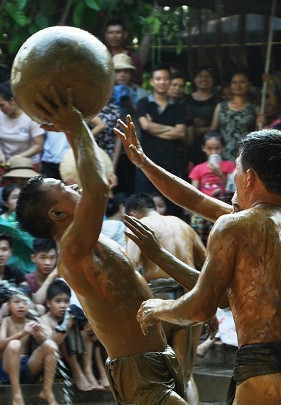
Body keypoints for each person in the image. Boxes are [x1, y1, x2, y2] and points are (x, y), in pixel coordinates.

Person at [116, 118, 281, 405]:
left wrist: (157, 308)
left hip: (273, 364)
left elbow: (202, 307)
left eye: (237, 170)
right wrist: (143, 162)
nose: (235, 178)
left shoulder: (235, 225)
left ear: (250, 177)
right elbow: (197, 202)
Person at [16, 86, 186, 403]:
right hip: (137, 368)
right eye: (63, 187)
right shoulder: (72, 250)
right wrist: (75, 124)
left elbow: (91, 179)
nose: (72, 184)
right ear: (57, 214)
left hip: (156, 358)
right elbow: (97, 187)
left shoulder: (89, 238)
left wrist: (71, 131)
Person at [125, 192, 207, 404]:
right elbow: (208, 265)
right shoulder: (183, 225)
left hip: (159, 300)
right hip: (192, 298)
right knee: (185, 374)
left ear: (133, 215)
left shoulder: (138, 225)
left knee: (153, 374)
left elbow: (130, 268)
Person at [135, 65, 186, 201]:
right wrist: (171, 129)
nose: (162, 82)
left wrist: (152, 127)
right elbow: (145, 125)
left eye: (165, 78)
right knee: (144, 204)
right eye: (158, 79)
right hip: (147, 163)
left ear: (170, 81)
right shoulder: (143, 103)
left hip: (171, 164)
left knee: (173, 204)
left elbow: (181, 132)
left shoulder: (178, 107)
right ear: (152, 81)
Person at [0, 290, 59, 405]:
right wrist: (21, 333)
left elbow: (45, 346)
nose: (21, 305)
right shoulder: (6, 321)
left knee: (50, 345)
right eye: (16, 302)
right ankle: (16, 394)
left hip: (28, 366)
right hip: (8, 368)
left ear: (30, 306)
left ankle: (47, 391)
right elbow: (0, 344)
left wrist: (38, 334)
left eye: (25, 302)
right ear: (8, 305)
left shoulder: (31, 323)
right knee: (14, 344)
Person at [39, 280, 98, 392]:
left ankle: (87, 372)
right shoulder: (44, 320)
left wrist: (89, 330)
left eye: (66, 301)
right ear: (48, 303)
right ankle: (78, 374)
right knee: (64, 332)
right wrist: (68, 323)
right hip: (52, 364)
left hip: (74, 356)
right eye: (58, 301)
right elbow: (52, 344)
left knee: (83, 329)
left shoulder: (72, 314)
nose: (62, 306)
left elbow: (94, 340)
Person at [0, 83, 45, 167]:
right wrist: (0, 153)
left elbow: (39, 145)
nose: (0, 109)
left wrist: (18, 157)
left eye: (2, 105)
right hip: (7, 161)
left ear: (12, 101)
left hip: (29, 163)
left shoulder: (30, 116)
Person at [211, 72, 259, 161]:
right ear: (230, 85)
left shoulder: (254, 108)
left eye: (242, 82)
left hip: (245, 153)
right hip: (223, 154)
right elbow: (213, 131)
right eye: (235, 82)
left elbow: (257, 132)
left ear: (249, 85)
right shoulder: (221, 107)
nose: (238, 85)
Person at [182, 66, 220, 166]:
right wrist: (191, 122)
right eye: (200, 76)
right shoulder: (185, 100)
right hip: (189, 143)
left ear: (212, 80)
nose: (204, 79)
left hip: (211, 145)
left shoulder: (218, 101)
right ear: (194, 79)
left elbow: (219, 125)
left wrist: (199, 130)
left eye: (207, 76)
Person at [104, 19, 144, 85]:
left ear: (125, 35)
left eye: (118, 32)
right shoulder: (101, 57)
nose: (114, 36)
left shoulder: (133, 60)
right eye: (111, 33)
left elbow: (137, 85)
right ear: (106, 36)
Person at [25, 238, 59, 305]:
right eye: (43, 257)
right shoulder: (26, 281)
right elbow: (37, 302)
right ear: (33, 258)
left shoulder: (62, 280)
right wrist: (50, 278)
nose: (48, 263)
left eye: (52, 258)